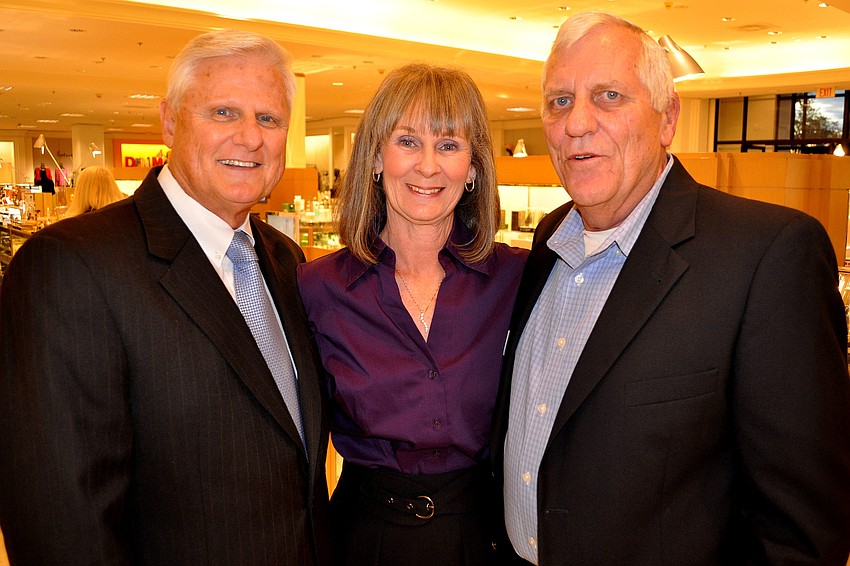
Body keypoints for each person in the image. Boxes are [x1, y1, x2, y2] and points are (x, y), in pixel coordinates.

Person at [492, 11, 850, 566]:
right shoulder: (547, 239)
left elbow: (801, 532)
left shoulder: (767, 257)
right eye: (560, 100)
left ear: (667, 119)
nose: (577, 123)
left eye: (608, 96)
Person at [0, 30, 330, 565]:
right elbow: (60, 520)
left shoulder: (285, 260)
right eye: (223, 113)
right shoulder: (71, 266)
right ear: (170, 121)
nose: (249, 138)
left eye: (269, 119)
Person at [297, 63, 527, 565]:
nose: (428, 166)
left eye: (448, 145)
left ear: (473, 168)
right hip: (363, 538)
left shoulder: (516, 279)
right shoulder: (317, 289)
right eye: (407, 141)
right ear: (376, 158)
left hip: (482, 537)